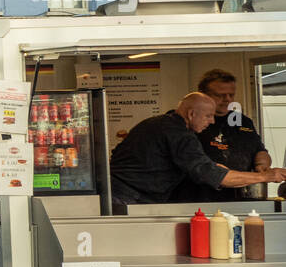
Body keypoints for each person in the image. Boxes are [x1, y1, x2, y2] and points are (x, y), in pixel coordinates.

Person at [109, 92, 286, 210]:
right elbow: (212, 175)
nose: (212, 122)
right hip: (128, 198)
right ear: (192, 114)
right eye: (208, 116)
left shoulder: (158, 123)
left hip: (119, 194)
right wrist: (267, 177)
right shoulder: (179, 134)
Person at [191, 68, 272, 200]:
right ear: (202, 95)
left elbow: (260, 150)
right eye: (220, 95)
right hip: (199, 197)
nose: (227, 99)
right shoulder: (191, 121)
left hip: (241, 196)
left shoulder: (243, 121)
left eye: (231, 95)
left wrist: (262, 164)